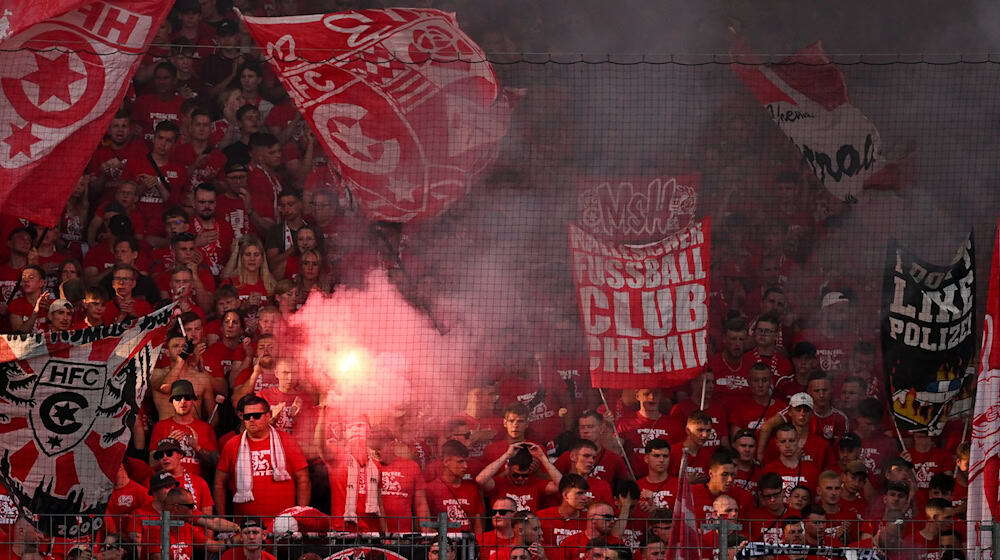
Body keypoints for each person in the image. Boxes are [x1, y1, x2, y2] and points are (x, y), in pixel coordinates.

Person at [214, 395, 312, 517]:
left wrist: (299, 515)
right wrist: (221, 518)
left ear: (268, 415)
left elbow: (303, 480)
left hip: (284, 524)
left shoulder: (287, 441)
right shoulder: (232, 444)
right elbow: (219, 483)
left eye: (256, 416)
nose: (251, 419)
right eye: (247, 416)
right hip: (246, 527)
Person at [148, 379, 219, 479]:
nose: (183, 401)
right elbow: (152, 464)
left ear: (193, 400)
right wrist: (166, 445)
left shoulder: (205, 428)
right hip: (168, 484)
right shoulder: (161, 427)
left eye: (187, 397)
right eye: (177, 398)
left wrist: (198, 448)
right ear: (172, 401)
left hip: (196, 485)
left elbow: (216, 464)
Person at [615, 389, 682, 479]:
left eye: (656, 393)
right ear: (637, 396)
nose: (652, 397)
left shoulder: (674, 424)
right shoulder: (625, 422)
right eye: (647, 394)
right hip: (634, 478)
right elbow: (615, 450)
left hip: (664, 480)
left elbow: (680, 454)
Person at [477, 442, 561, 512]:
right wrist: (507, 455)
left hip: (527, 528)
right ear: (508, 468)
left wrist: (542, 457)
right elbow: (480, 479)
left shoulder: (535, 484)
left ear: (530, 471)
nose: (520, 478)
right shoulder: (499, 483)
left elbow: (561, 485)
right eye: (516, 475)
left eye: (525, 476)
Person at [149, 331, 215, 421]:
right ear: (167, 352)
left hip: (193, 432)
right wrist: (181, 359)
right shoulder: (156, 374)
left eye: (184, 347)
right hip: (167, 432)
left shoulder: (202, 378)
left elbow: (213, 416)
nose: (181, 349)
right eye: (176, 346)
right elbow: (165, 388)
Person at [554, 409, 630, 486]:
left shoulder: (613, 459)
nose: (585, 431)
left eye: (590, 427)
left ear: (601, 429)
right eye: (582, 427)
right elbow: (551, 479)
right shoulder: (569, 456)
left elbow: (626, 485)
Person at [425, 440, 485, 535]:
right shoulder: (431, 489)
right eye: (460, 462)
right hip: (444, 543)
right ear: (446, 461)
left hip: (468, 544)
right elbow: (427, 523)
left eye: (465, 461)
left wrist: (478, 546)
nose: (465, 466)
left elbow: (478, 525)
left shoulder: (472, 489)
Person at [152, 437, 214, 515]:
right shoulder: (154, 482)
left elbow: (207, 517)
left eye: (169, 453)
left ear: (180, 455)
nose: (165, 457)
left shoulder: (199, 482)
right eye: (160, 455)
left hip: (193, 526)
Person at [669, 370, 728, 450]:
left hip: (714, 459)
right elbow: (675, 440)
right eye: (706, 382)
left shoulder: (719, 408)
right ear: (693, 383)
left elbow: (724, 441)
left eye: (712, 382)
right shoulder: (680, 409)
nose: (711, 386)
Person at [761, 423, 822, 497]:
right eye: (783, 441)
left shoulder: (812, 471)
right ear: (777, 443)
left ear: (798, 440)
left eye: (791, 441)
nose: (787, 445)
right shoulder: (768, 470)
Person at [191, 182, 236, 276]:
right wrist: (195, 243)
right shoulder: (186, 227)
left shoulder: (226, 227)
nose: (207, 206)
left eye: (211, 202)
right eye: (202, 202)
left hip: (224, 281)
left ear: (216, 203)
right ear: (194, 203)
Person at [536, 474, 590, 546]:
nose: (585, 497)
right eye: (579, 493)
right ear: (565, 495)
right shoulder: (541, 516)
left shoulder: (589, 520)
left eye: (585, 493)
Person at [706, 318, 753, 401]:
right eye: (733, 339)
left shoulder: (753, 365)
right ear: (724, 339)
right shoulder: (710, 365)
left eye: (741, 339)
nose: (737, 344)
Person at [265, 188, 308, 275]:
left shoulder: (311, 229)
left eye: (290, 204)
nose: (286, 209)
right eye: (283, 206)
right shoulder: (275, 231)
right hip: (284, 281)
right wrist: (293, 249)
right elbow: (271, 265)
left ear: (300, 205)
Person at [558, 502, 622, 560]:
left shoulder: (617, 543)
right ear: (592, 518)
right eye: (608, 517)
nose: (612, 521)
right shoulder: (570, 543)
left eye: (614, 518)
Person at [635, 439, 679, 514]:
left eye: (665, 456)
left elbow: (683, 516)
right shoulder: (636, 486)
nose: (661, 460)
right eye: (656, 456)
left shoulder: (679, 485)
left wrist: (655, 508)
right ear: (646, 459)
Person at [669, 411, 715, 481]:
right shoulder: (673, 452)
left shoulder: (708, 455)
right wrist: (685, 482)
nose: (705, 435)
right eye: (700, 430)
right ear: (688, 430)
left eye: (708, 431)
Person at [7, 265, 51, 333]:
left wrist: (51, 312)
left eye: (31, 277)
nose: (26, 280)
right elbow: (19, 335)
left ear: (41, 283)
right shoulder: (15, 305)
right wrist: (35, 311)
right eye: (23, 278)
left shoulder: (52, 304)